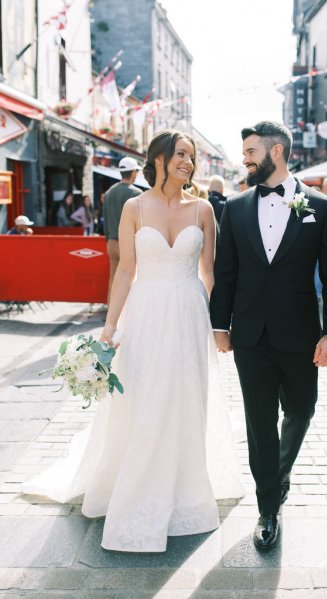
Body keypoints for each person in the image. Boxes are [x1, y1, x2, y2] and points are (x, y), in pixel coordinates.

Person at [22, 129, 243, 552]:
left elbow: (210, 273)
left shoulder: (203, 210)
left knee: (185, 397)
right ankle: (138, 482)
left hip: (189, 314)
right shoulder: (132, 206)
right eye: (181, 154)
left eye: (191, 157)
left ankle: (183, 487)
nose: (188, 163)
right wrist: (110, 327)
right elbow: (124, 269)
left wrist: (220, 326)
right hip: (145, 314)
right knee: (143, 396)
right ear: (158, 158)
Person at [210, 121, 327, 551]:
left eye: (251, 151)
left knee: (302, 410)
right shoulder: (233, 207)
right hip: (250, 336)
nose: (245, 159)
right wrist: (220, 324)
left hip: (302, 335)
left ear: (276, 152)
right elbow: (226, 271)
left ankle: (279, 474)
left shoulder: (322, 207)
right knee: (258, 422)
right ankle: (268, 507)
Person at [104, 157, 142, 302]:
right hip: (128, 243)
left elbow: (105, 219)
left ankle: (111, 309)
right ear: (132, 172)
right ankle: (126, 311)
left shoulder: (109, 192)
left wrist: (108, 239)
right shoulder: (136, 193)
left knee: (113, 276)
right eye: (136, 171)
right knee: (130, 277)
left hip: (111, 242)